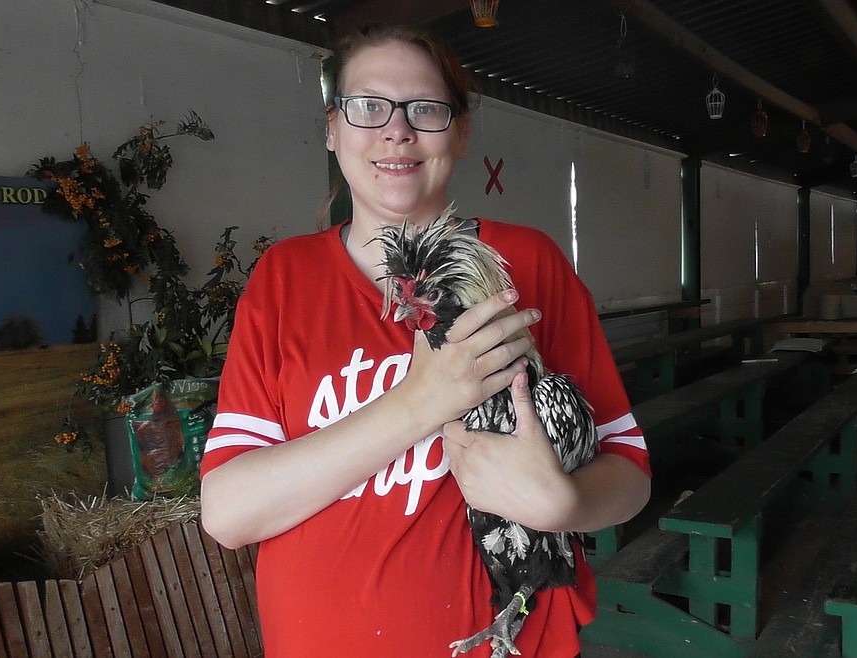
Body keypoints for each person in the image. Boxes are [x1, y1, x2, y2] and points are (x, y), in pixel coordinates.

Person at [198, 25, 651, 657]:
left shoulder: (526, 264)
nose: (397, 131)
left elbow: (628, 474)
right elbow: (227, 514)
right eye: (367, 106)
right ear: (332, 128)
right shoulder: (285, 280)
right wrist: (422, 400)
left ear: (461, 132)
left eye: (427, 110)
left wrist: (564, 504)